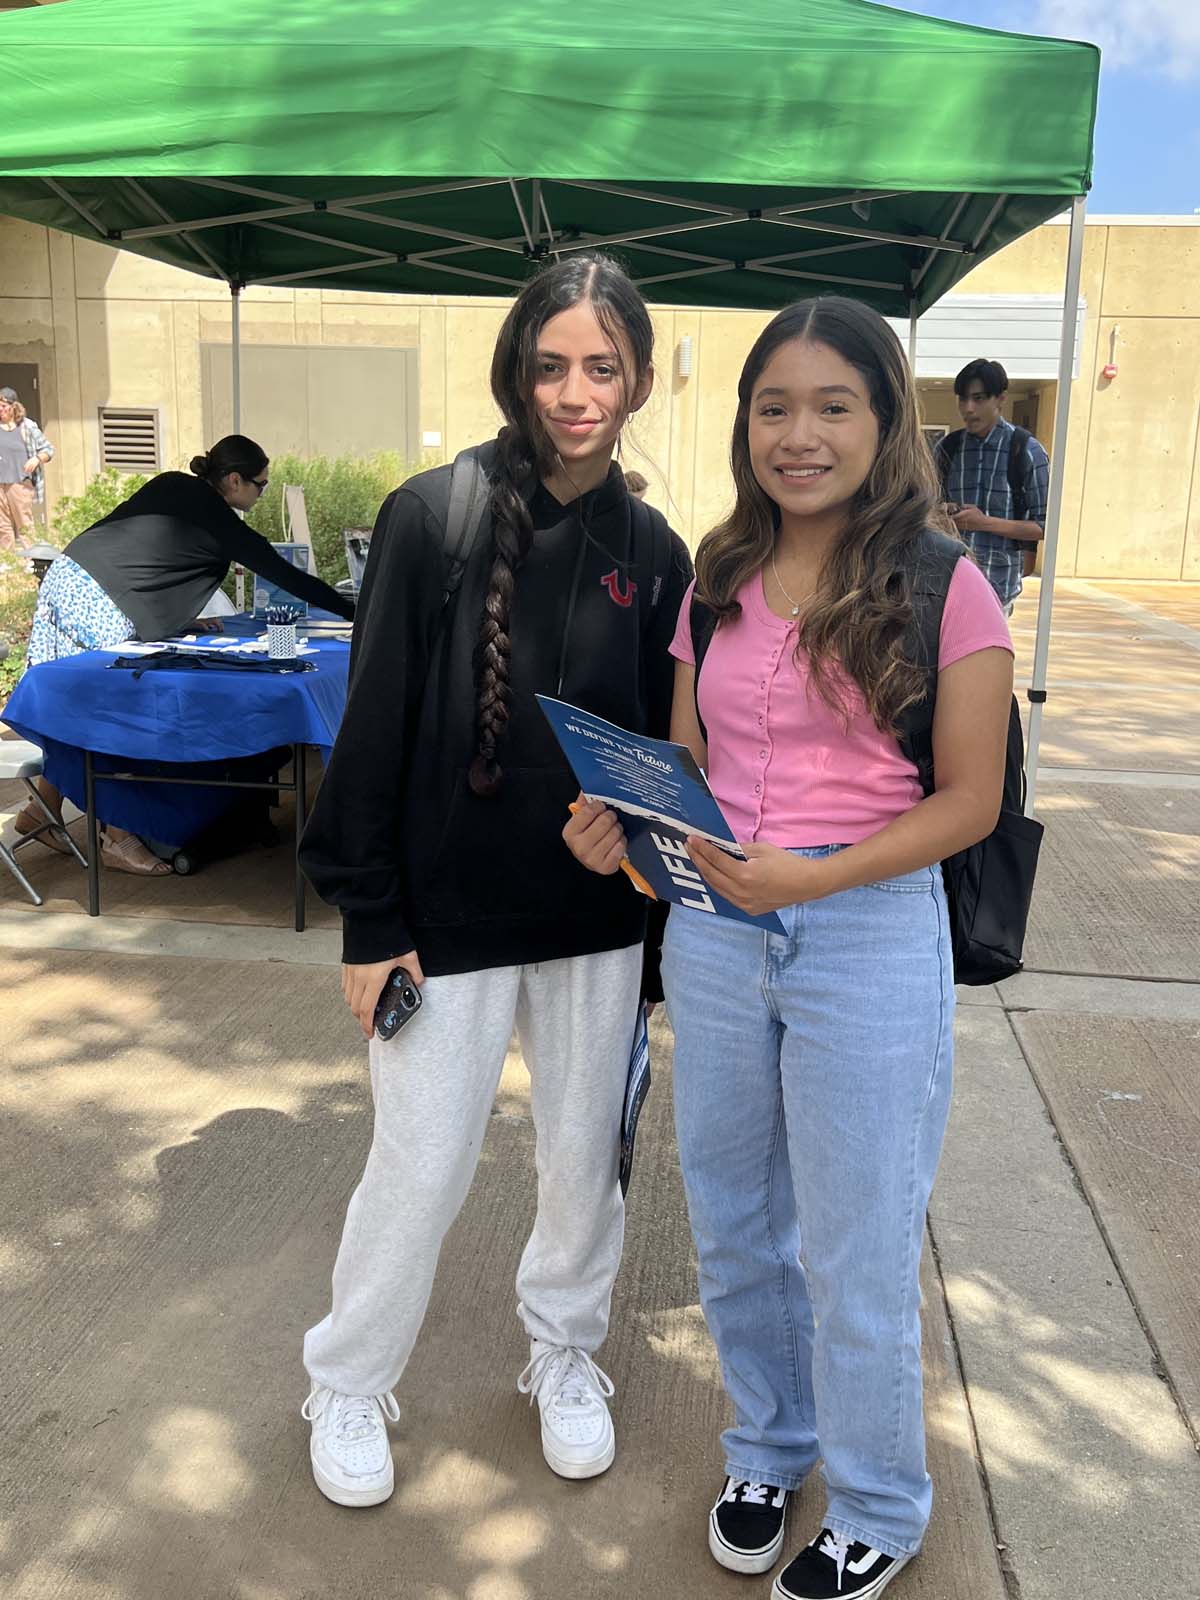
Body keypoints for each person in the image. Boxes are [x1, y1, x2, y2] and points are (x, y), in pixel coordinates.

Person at [565, 297, 1012, 1600]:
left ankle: (878, 1502)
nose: (798, 435)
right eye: (774, 407)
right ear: (745, 422)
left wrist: (811, 874)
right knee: (734, 1219)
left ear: (884, 422)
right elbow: (688, 761)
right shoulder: (716, 579)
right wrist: (625, 829)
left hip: (868, 929)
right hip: (718, 929)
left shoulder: (945, 584)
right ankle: (767, 1447)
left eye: (832, 407)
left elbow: (970, 800)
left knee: (857, 1243)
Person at [296, 253, 692, 1509]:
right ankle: (348, 1377)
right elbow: (370, 727)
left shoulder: (654, 549)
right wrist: (370, 919)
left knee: (584, 1168)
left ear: (638, 380)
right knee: (419, 1167)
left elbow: (669, 749)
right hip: (443, 918)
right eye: (552, 365)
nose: (576, 393)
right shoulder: (435, 515)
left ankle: (563, 1352)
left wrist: (635, 845)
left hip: (593, 921)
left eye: (603, 368)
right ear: (517, 371)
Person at [18, 435, 354, 876]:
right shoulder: (220, 521)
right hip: (98, 601)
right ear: (233, 480)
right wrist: (359, 611)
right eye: (260, 484)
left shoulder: (173, 484)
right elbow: (287, 577)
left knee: (78, 709)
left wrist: (175, 620)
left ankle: (41, 811)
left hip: (69, 577)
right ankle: (117, 836)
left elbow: (144, 556)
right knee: (111, 713)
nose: (263, 492)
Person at [934, 358, 1049, 613]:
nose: (968, 408)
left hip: (998, 590)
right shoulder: (947, 449)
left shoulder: (1026, 451)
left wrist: (983, 522)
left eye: (979, 398)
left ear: (1001, 399)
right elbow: (925, 510)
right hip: (947, 586)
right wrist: (941, 512)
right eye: (963, 399)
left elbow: (1045, 527)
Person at [0, 386, 54, 551]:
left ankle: (31, 559)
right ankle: (8, 560)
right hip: (0, 484)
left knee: (24, 525)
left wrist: (36, 459)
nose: (0, 409)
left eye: (3, 406)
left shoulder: (27, 427)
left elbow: (48, 449)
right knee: (3, 526)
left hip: (20, 484)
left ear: (13, 407)